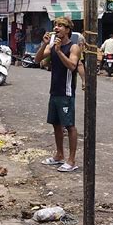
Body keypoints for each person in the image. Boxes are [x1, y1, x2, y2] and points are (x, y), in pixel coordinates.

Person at [34, 17, 81, 172]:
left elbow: (72, 66)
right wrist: (45, 44)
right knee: (56, 124)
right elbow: (38, 59)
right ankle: (59, 155)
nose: (56, 28)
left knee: (69, 126)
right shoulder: (53, 45)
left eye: (60, 25)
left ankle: (72, 160)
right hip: (54, 91)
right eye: (55, 25)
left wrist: (60, 51)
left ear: (67, 29)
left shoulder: (73, 47)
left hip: (66, 92)